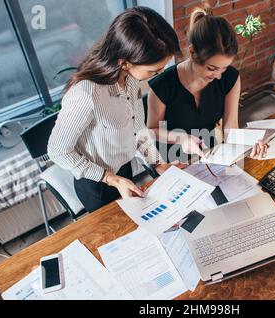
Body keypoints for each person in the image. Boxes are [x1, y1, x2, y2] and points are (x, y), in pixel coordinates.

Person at [47, 7, 181, 212]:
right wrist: (110, 179)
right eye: (154, 70)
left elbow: (138, 131)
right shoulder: (86, 94)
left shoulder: (131, 81)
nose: (158, 74)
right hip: (97, 183)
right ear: (125, 62)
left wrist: (157, 163)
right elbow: (57, 151)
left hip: (124, 170)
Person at [147, 6, 267, 163]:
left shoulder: (230, 78)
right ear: (192, 51)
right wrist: (181, 138)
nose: (218, 76)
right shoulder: (162, 85)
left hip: (210, 154)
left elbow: (231, 127)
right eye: (212, 68)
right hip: (171, 159)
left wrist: (249, 143)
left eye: (223, 69)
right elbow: (152, 131)